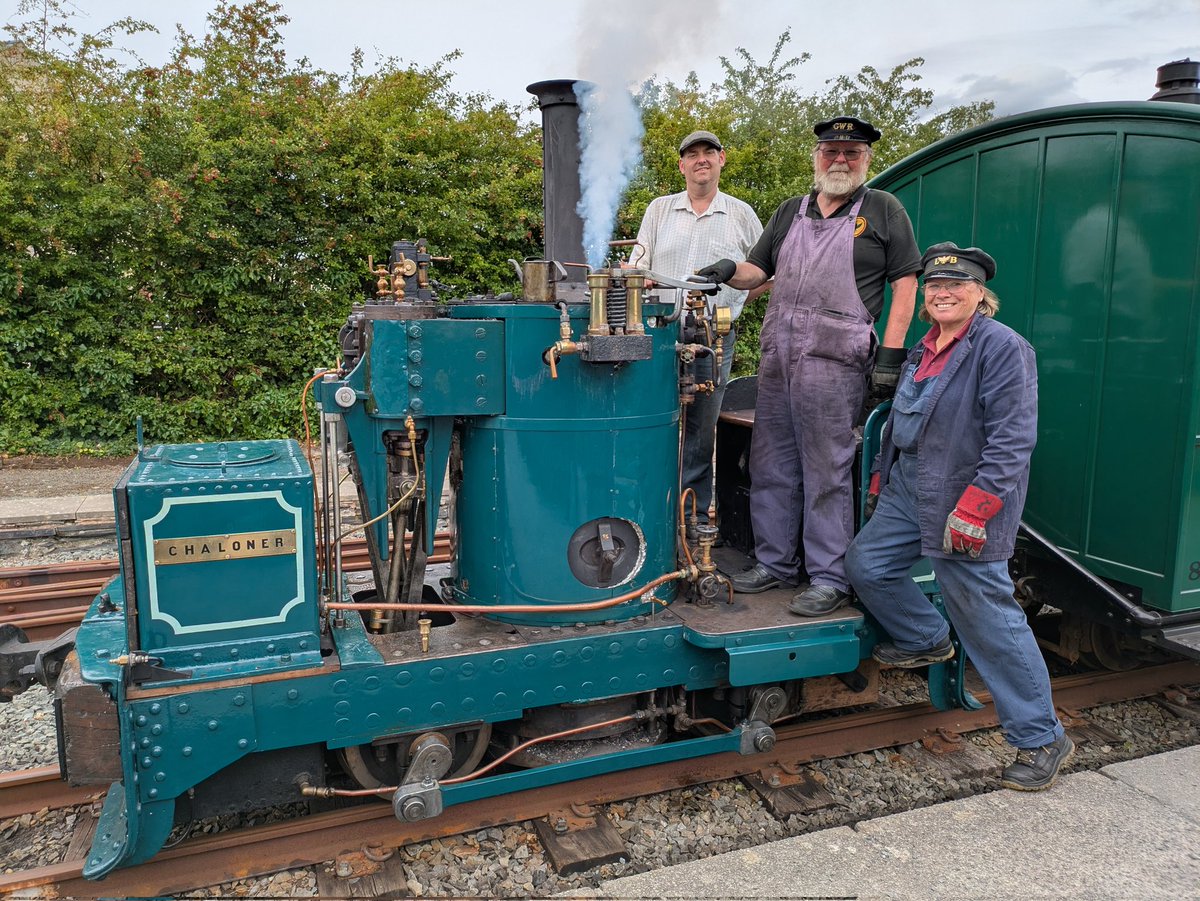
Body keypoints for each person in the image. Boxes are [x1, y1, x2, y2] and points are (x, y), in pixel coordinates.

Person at [846, 242, 1073, 791]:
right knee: (868, 564)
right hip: (909, 486)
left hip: (963, 494)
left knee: (987, 616)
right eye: (935, 286)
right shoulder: (926, 346)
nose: (943, 293)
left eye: (957, 286)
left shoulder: (1001, 348)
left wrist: (976, 508)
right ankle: (926, 637)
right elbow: (901, 422)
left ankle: (1042, 737)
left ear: (980, 294)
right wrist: (882, 477)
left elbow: (1013, 439)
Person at [697, 116, 920, 614]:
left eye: (851, 153)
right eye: (831, 151)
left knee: (828, 469)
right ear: (816, 157)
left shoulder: (883, 209)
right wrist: (732, 270)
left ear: (865, 159)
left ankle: (829, 577)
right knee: (770, 461)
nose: (840, 160)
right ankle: (775, 564)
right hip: (780, 356)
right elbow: (761, 269)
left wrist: (891, 354)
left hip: (836, 360)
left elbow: (906, 282)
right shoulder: (790, 211)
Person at [629, 130, 766, 524]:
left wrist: (733, 304)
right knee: (651, 419)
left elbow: (767, 274)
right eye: (692, 154)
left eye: (709, 152)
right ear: (681, 165)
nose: (701, 159)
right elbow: (637, 268)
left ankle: (692, 518)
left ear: (722, 159)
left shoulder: (741, 214)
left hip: (712, 337)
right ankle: (650, 510)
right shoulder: (658, 210)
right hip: (658, 333)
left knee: (700, 432)